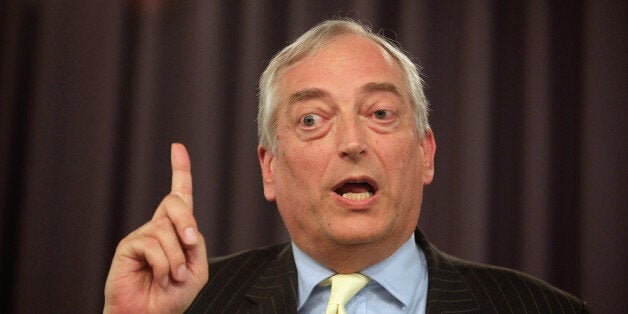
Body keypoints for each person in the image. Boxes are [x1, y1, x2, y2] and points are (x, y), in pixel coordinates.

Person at [104, 19, 590, 313]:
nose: (352, 143)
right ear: (269, 168)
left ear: (426, 154)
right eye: (312, 119)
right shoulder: (193, 306)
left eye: (380, 113)